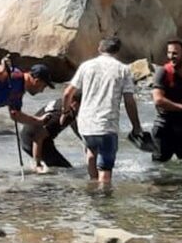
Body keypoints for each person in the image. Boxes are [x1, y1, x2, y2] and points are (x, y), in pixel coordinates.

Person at [62, 37, 144, 185]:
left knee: (91, 153)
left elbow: (67, 93)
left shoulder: (86, 66)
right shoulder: (123, 69)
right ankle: (103, 201)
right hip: (107, 124)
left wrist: (65, 112)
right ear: (117, 51)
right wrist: (136, 126)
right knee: (105, 169)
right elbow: (129, 101)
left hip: (85, 124)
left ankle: (92, 191)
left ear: (99, 49)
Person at [18, 97, 79, 173]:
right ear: (74, 103)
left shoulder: (63, 104)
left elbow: (77, 128)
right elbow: (38, 137)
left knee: (62, 169)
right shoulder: (63, 114)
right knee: (66, 170)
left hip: (29, 133)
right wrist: (38, 164)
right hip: (32, 140)